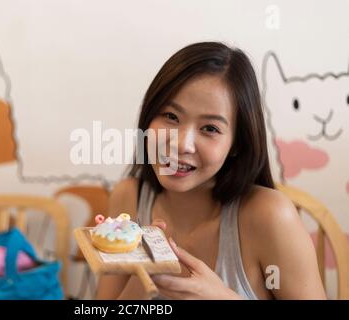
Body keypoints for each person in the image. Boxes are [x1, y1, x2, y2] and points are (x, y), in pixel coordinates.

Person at [95, 42, 326, 300]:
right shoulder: (129, 198)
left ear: (237, 143)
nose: (182, 144)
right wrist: (148, 273)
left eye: (210, 129)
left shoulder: (270, 215)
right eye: (171, 116)